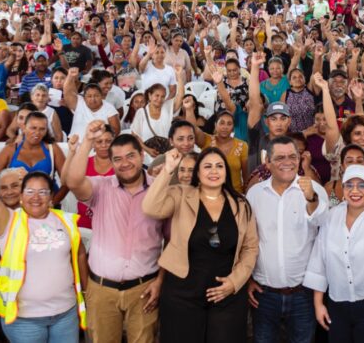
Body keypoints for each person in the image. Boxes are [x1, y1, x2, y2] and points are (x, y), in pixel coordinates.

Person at [142, 148, 258, 343]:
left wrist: (234, 282)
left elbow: (250, 248)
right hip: (182, 293)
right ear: (197, 173)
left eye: (219, 166)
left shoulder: (241, 204)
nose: (214, 171)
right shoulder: (180, 194)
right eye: (207, 166)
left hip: (226, 295)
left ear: (226, 172)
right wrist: (168, 170)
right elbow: (150, 207)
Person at [63, 123, 163, 343]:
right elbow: (73, 181)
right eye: (117, 159)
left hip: (144, 289)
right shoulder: (101, 187)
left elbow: (174, 241)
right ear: (111, 162)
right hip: (101, 289)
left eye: (130, 156)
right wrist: (88, 140)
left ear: (141, 155)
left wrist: (160, 281)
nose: (125, 163)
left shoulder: (159, 189)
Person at [0, 162, 87, 341]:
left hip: (65, 313)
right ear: (21, 196)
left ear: (51, 197)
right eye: (30, 191)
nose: (36, 197)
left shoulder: (66, 221)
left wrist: (87, 292)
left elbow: (78, 255)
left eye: (43, 192)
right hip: (24, 318)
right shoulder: (9, 221)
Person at [305, 162, 364, 343]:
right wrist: (318, 304)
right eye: (349, 185)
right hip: (338, 305)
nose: (355, 190)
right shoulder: (331, 217)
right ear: (342, 189)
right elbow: (320, 261)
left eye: (362, 185)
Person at [247, 136, 328, 343]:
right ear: (267, 162)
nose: (288, 162)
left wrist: (311, 198)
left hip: (303, 294)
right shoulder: (254, 194)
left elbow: (322, 222)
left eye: (293, 156)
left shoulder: (315, 190)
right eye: (280, 157)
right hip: (264, 294)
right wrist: (247, 279)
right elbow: (246, 241)